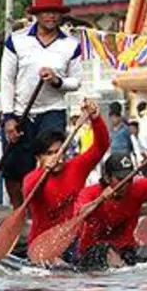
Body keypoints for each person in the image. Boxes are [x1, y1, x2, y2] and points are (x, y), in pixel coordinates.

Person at [1, 0, 83, 208]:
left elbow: (76, 81)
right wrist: (8, 117)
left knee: (52, 163)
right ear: (37, 14)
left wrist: (57, 80)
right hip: (19, 112)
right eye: (46, 12)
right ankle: (19, 215)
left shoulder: (71, 45)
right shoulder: (16, 42)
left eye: (55, 12)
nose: (51, 16)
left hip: (52, 111)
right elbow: (7, 81)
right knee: (13, 168)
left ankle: (47, 213)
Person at [23, 100, 108, 248]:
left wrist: (96, 118)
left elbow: (101, 147)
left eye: (60, 151)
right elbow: (29, 191)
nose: (57, 157)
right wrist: (45, 170)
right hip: (43, 244)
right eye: (50, 153)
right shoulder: (32, 179)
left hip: (72, 239)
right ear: (38, 158)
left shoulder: (76, 167)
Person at [75, 153, 147, 270]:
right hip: (91, 253)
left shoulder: (138, 187)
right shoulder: (89, 193)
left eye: (129, 179)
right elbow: (80, 214)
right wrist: (100, 199)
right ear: (107, 178)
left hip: (126, 251)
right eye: (120, 179)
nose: (126, 184)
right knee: (108, 251)